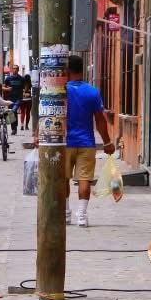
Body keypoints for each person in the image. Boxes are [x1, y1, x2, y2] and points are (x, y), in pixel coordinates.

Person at [35, 55, 114, 227]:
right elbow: (100, 120)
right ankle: (82, 215)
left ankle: (66, 213)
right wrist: (107, 143)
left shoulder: (60, 90)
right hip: (86, 143)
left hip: (64, 142)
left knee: (63, 179)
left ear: (67, 70)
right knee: (84, 179)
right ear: (82, 69)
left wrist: (37, 134)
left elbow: (47, 112)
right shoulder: (93, 92)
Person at [3, 65, 25, 135]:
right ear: (12, 70)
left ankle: (14, 128)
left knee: (13, 111)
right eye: (13, 68)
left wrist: (24, 93)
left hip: (18, 98)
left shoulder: (21, 79)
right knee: (11, 113)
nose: (15, 70)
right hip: (10, 98)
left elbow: (24, 88)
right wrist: (7, 89)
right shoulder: (8, 78)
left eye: (16, 69)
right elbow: (3, 87)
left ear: (18, 70)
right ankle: (14, 128)